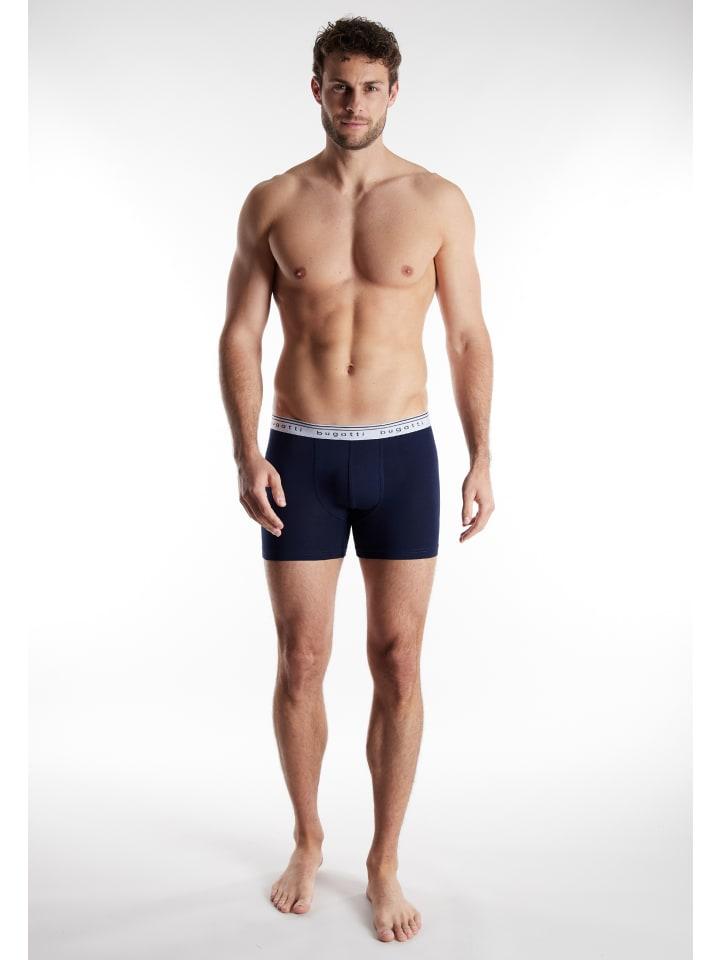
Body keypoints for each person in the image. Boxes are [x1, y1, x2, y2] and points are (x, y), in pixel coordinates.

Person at [219, 15, 494, 944]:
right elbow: (240, 333)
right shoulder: (273, 200)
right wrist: (245, 450)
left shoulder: (438, 200)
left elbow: (467, 335)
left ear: (393, 92)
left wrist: (482, 453)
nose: (354, 102)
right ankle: (307, 840)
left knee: (399, 662)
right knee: (301, 660)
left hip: (403, 454)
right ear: (316, 88)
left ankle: (383, 861)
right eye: (340, 85)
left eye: (371, 86)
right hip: (299, 453)